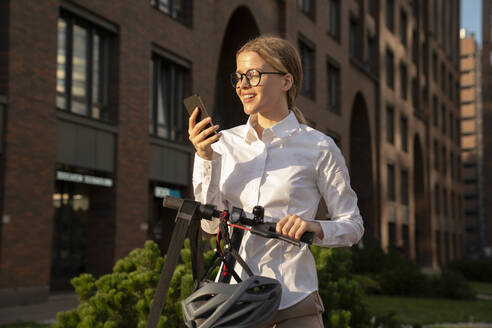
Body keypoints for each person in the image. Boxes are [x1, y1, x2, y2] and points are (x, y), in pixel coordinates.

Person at [188, 35, 364, 328]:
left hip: (294, 301)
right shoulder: (222, 144)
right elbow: (209, 225)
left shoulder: (319, 147)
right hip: (233, 301)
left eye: (253, 75)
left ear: (286, 81)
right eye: (239, 77)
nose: (242, 85)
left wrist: (314, 227)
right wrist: (205, 157)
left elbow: (353, 225)